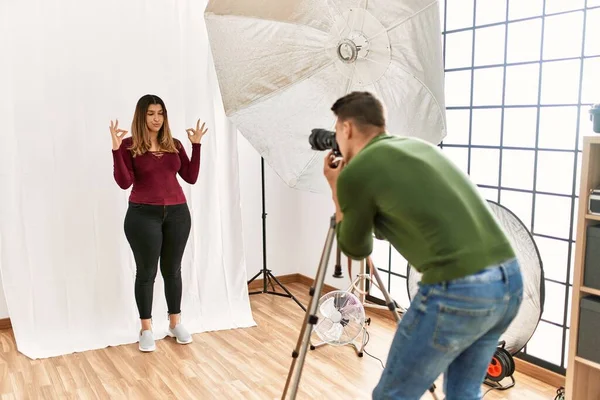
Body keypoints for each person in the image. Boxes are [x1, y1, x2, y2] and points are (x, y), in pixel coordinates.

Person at [322, 91, 523, 400]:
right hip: (509, 284)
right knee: (463, 392)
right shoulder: (418, 147)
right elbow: (394, 227)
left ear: (346, 128)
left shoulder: (358, 172)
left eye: (337, 130)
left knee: (393, 395)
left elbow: (355, 248)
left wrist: (337, 189)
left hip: (459, 290)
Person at [110, 94, 208, 352]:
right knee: (146, 273)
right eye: (151, 113)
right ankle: (146, 329)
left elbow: (191, 176)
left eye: (160, 113)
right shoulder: (128, 145)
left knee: (173, 270)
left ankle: (175, 323)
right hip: (143, 215)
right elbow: (124, 182)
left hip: (177, 214)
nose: (156, 118)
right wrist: (115, 149)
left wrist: (196, 145)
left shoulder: (174, 144)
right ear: (141, 117)